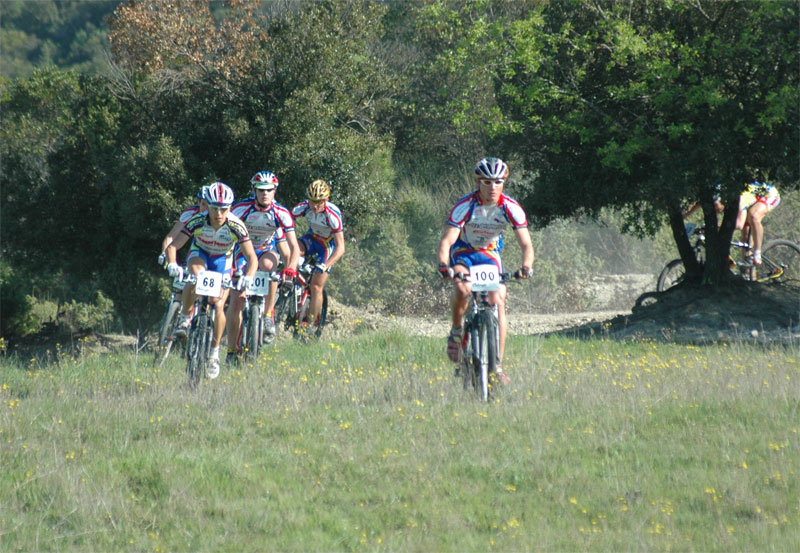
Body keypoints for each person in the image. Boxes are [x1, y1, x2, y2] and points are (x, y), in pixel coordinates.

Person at [437, 157, 534, 385]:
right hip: (464, 254)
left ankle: (497, 366)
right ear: (478, 182)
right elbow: (447, 241)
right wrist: (444, 265)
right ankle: (457, 330)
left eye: (498, 182)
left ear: (504, 183)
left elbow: (526, 244)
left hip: (489, 257)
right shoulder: (466, 205)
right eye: (487, 182)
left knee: (498, 299)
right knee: (462, 288)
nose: (492, 187)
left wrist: (526, 267)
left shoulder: (510, 207)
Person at [165, 181, 257, 379]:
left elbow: (252, 257)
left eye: (223, 209)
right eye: (214, 208)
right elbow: (173, 245)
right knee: (196, 276)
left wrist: (249, 277)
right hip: (201, 254)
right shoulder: (197, 220)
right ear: (208, 205)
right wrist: (172, 262)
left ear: (229, 208)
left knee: (217, 304)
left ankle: (214, 353)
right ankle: (184, 318)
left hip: (222, 261)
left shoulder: (236, 226)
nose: (218, 213)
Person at [225, 171, 300, 363]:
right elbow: (226, 237)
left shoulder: (281, 213)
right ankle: (231, 351)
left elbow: (293, 247)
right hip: (243, 252)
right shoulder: (242, 209)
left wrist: (290, 269)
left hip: (266, 250)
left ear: (275, 191)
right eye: (261, 190)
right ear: (254, 191)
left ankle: (268, 314)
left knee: (269, 267)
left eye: (269, 190)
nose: (265, 194)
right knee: (237, 300)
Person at [291, 179, 345, 335]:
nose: (314, 206)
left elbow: (341, 248)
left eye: (319, 202)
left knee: (316, 286)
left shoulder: (332, 214)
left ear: (326, 200)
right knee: (292, 252)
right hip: (312, 238)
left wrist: (326, 264)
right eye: (312, 201)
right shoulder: (304, 207)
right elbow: (286, 222)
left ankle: (311, 325)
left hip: (327, 246)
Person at [158, 185, 208, 266]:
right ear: (198, 202)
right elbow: (172, 236)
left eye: (210, 205)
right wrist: (164, 254)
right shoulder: (191, 213)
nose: (207, 208)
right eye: (203, 204)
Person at [735, 181, 780, 265]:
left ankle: (757, 253)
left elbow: (739, 225)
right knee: (745, 239)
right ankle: (747, 272)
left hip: (770, 195)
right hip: (754, 198)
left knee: (753, 216)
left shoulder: (741, 200)